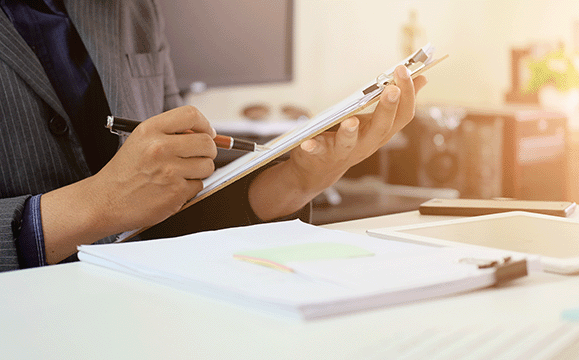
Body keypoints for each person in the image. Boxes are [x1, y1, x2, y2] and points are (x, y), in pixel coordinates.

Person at [0, 0, 427, 272]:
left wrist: (296, 181)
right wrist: (99, 204)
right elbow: (120, 204)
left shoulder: (133, 9)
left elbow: (171, 213)